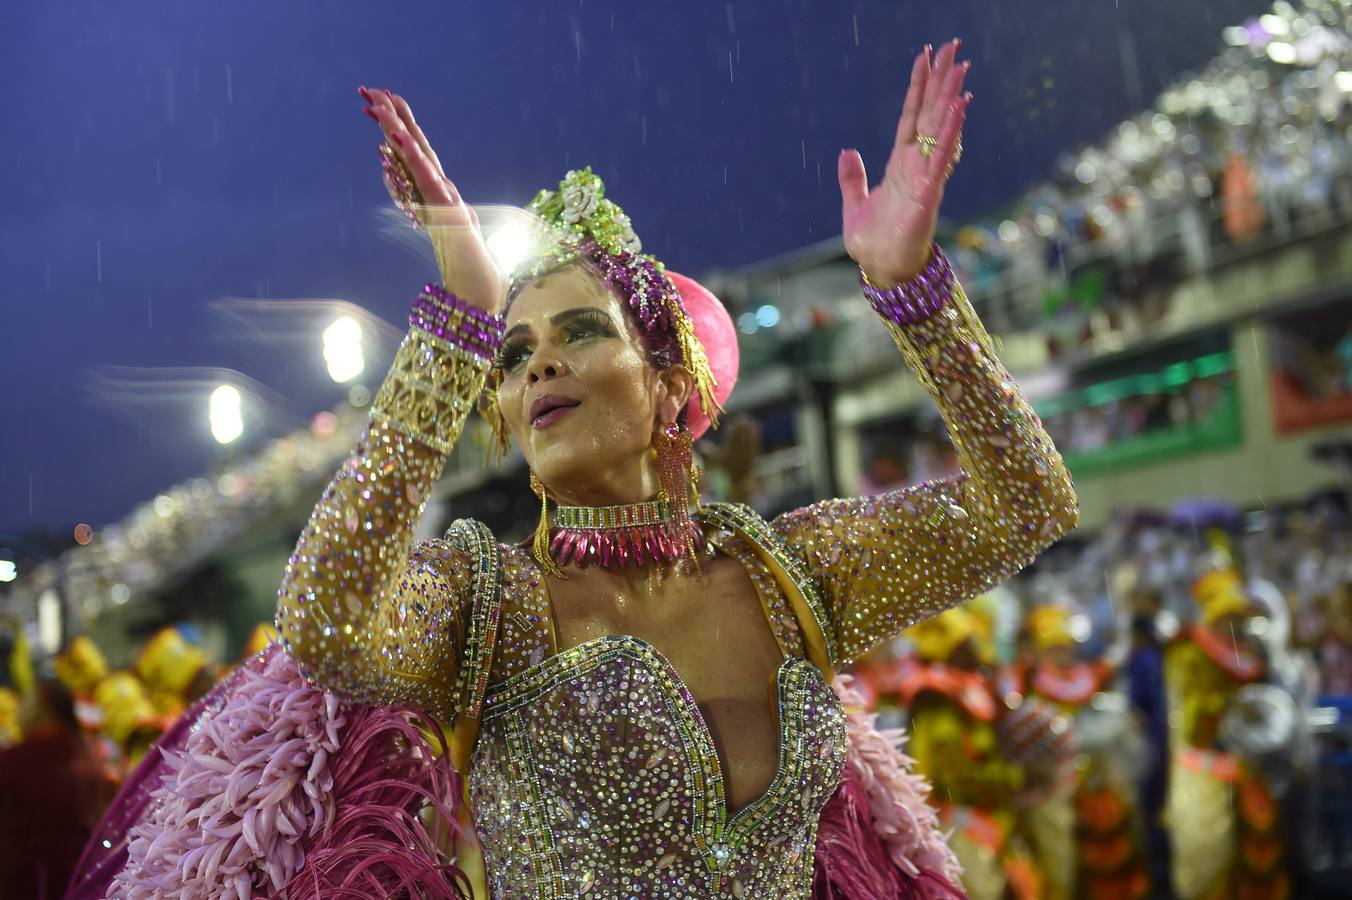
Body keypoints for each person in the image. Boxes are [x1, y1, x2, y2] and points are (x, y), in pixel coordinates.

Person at [72, 39, 1078, 899]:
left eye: (579, 332)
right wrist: (455, 322)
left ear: (673, 390)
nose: (535, 363)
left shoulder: (787, 577)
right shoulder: (488, 605)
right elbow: (328, 619)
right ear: (504, 416)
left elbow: (1027, 503)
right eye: (512, 356)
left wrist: (911, 291)